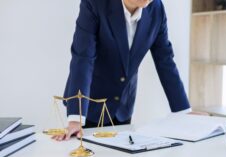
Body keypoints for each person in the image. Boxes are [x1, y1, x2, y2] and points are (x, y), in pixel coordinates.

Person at [52, 0, 192, 141]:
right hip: (89, 105)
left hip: (123, 106)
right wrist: (76, 118)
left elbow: (165, 61)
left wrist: (184, 112)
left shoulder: (156, 8)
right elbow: (83, 59)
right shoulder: (94, 3)